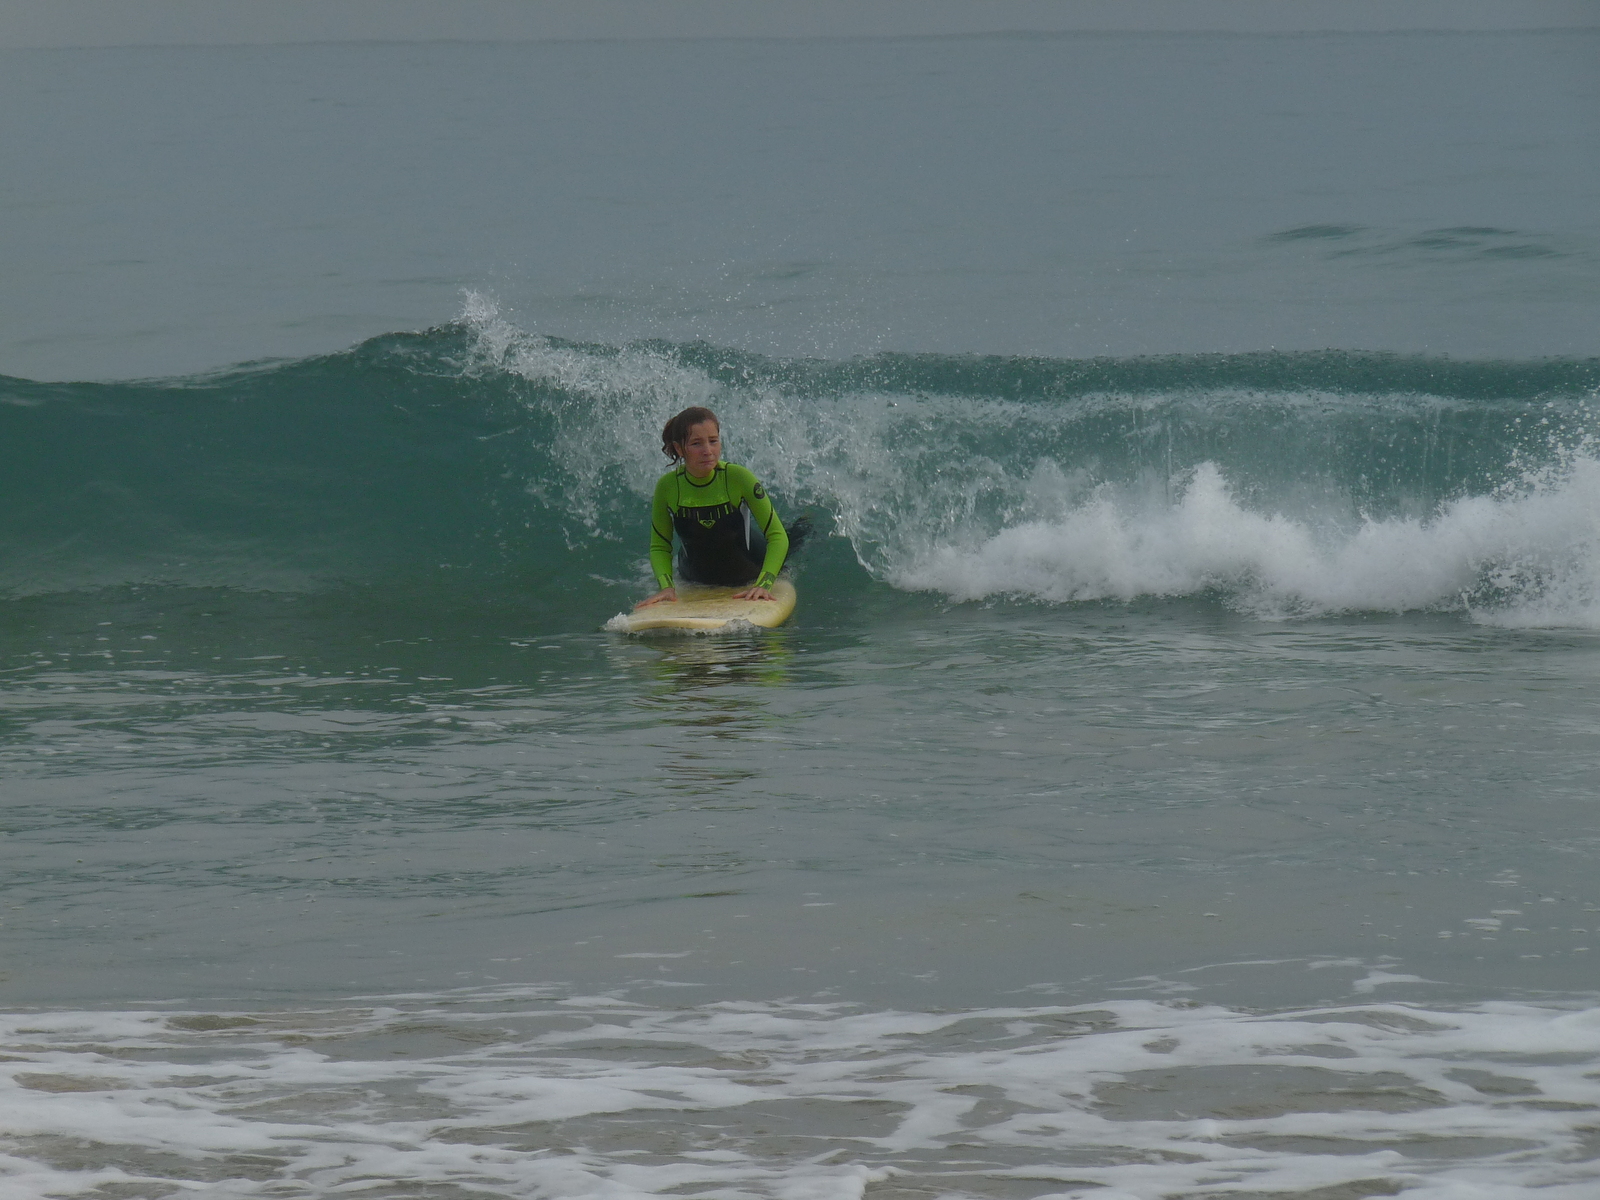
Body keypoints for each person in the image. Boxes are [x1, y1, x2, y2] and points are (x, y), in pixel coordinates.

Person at [635, 406, 793, 609]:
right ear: (679, 448)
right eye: (696, 443)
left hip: (750, 570)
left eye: (713, 441)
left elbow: (777, 536)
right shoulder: (667, 486)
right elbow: (660, 546)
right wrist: (666, 587)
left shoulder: (738, 478)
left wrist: (764, 584)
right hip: (694, 577)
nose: (707, 451)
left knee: (796, 536)